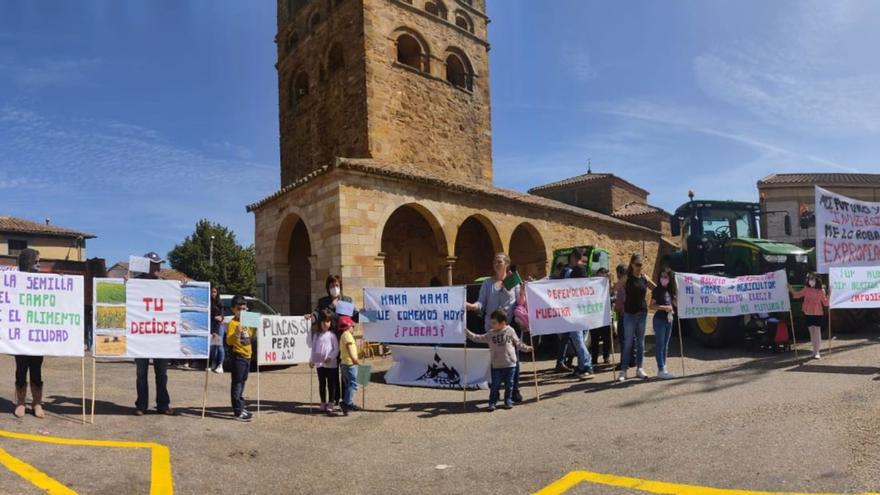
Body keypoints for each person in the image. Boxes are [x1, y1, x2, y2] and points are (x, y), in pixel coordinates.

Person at [465, 252, 523, 402]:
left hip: (508, 328)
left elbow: (520, 302)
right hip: (491, 328)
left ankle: (514, 391)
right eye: (495, 262)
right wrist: (472, 306)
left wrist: (523, 290)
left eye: (499, 262)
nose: (496, 264)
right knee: (495, 362)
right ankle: (495, 394)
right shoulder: (487, 283)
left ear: (506, 264)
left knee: (513, 360)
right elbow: (481, 302)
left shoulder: (513, 281)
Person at [465, 309, 533, 411]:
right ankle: (492, 402)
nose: (492, 325)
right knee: (495, 386)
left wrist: (528, 348)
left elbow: (518, 343)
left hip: (510, 365)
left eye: (494, 323)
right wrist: (466, 332)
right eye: (491, 322)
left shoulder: (510, 331)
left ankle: (508, 401)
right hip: (496, 365)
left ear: (503, 322)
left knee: (509, 385)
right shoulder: (491, 334)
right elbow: (477, 338)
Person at [133, 252, 175, 416]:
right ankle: (141, 405)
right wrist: (125, 283)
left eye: (159, 264)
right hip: (141, 338)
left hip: (160, 337)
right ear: (145, 265)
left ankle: (163, 405)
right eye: (153, 263)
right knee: (141, 374)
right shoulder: (135, 283)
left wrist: (184, 287)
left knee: (162, 374)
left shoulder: (166, 285)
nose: (157, 267)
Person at [13, 249, 45, 419]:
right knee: (20, 370)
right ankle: (20, 403)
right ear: (28, 262)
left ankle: (37, 403)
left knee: (36, 370)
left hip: (37, 337)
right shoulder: (14, 282)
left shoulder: (42, 281)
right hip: (19, 336)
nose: (39, 265)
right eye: (37, 262)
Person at [616, 254, 656, 382]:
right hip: (629, 314)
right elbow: (615, 288)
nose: (640, 267)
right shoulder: (627, 278)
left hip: (642, 314)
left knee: (640, 343)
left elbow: (656, 288)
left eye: (641, 265)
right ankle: (623, 370)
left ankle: (640, 368)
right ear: (632, 264)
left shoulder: (644, 277)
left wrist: (669, 286)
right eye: (637, 264)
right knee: (628, 343)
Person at [555, 248, 592, 377]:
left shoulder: (579, 269)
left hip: (576, 309)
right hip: (573, 308)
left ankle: (587, 365)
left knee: (577, 339)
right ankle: (582, 365)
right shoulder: (571, 269)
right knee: (577, 339)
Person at [227, 295, 255, 421]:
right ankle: (237, 410)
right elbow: (229, 341)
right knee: (237, 383)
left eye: (244, 309)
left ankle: (241, 406)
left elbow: (251, 334)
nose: (242, 311)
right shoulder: (232, 323)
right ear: (233, 309)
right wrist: (236, 333)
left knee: (242, 382)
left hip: (247, 355)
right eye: (239, 309)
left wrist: (255, 325)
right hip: (238, 356)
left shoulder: (248, 321)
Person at [790, 273, 829, 360]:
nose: (811, 281)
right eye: (809, 279)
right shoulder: (806, 289)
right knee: (811, 332)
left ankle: (817, 351)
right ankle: (814, 351)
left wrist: (830, 293)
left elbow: (825, 303)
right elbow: (797, 295)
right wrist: (789, 288)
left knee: (817, 331)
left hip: (817, 313)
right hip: (808, 313)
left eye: (812, 279)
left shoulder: (821, 291)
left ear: (817, 280)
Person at [310, 308, 340, 415]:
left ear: (330, 323)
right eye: (323, 321)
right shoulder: (316, 335)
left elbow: (336, 349)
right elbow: (313, 349)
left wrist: (330, 358)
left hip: (331, 365)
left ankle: (331, 402)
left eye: (327, 321)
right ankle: (323, 402)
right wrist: (312, 360)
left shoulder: (332, 335)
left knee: (330, 384)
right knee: (321, 384)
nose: (325, 324)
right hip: (320, 364)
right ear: (319, 322)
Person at [651, 268, 676, 379]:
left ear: (670, 279)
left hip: (669, 320)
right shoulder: (657, 290)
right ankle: (660, 369)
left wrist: (674, 304)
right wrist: (664, 308)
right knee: (660, 345)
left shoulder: (671, 291)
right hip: (659, 320)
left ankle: (664, 367)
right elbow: (652, 306)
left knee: (665, 345)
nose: (663, 279)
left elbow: (674, 303)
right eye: (662, 276)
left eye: (665, 277)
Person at [589, 267, 613, 366]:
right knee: (594, 339)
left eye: (605, 274)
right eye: (602, 274)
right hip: (594, 316)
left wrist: (609, 282)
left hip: (605, 316)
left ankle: (606, 357)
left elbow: (612, 294)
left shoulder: (607, 285)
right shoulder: (592, 285)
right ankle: (594, 358)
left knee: (606, 338)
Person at [338, 315, 361, 415]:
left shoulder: (344, 335)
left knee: (348, 385)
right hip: (349, 364)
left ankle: (347, 405)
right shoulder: (347, 335)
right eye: (352, 326)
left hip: (345, 363)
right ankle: (346, 403)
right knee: (353, 383)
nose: (353, 328)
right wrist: (355, 360)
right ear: (348, 326)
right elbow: (349, 348)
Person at [209, 286, 225, 373]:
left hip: (219, 326)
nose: (213, 293)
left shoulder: (220, 302)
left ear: (217, 293)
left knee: (219, 346)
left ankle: (220, 365)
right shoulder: (209, 302)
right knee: (213, 346)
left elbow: (222, 316)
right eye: (212, 292)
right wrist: (215, 317)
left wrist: (220, 317)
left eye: (214, 292)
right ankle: (213, 364)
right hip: (212, 325)